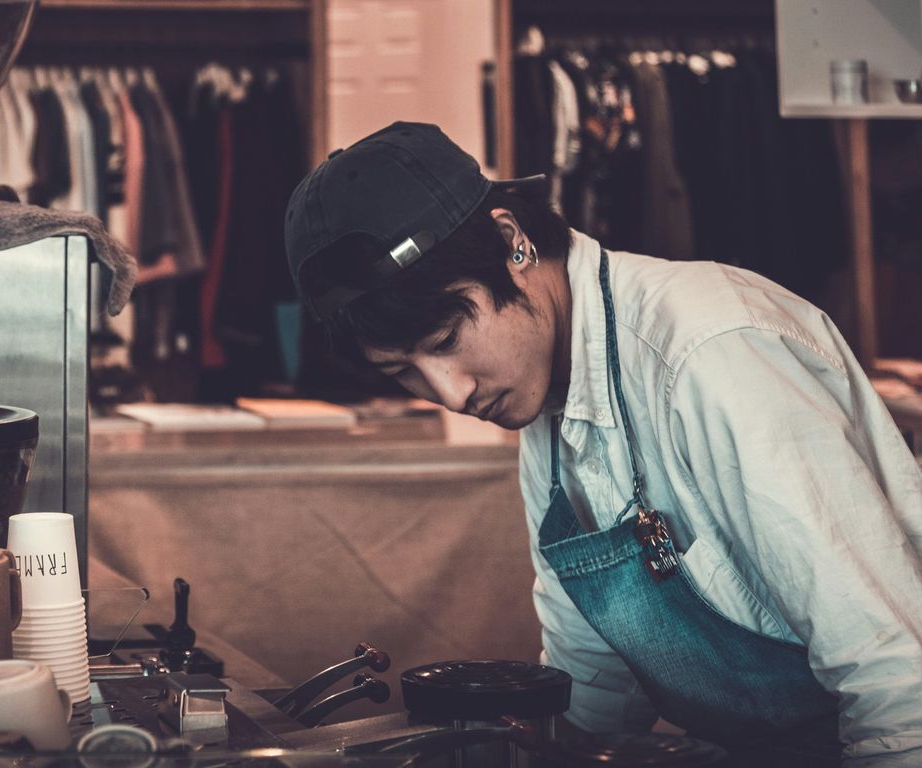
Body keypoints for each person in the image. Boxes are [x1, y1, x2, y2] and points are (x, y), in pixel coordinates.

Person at [283, 122, 922, 766]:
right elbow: (593, 680)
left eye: (447, 338)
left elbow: (897, 682)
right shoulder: (544, 397)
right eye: (403, 371)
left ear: (514, 243)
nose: (451, 393)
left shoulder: (712, 352)